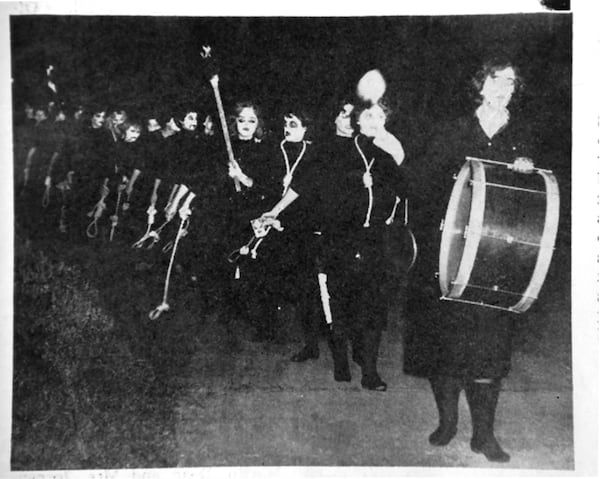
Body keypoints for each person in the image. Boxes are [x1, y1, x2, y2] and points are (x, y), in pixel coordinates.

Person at [403, 58, 535, 463]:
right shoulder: (453, 128)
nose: (505, 88)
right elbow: (421, 183)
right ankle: (447, 424)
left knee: (489, 350)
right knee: (444, 347)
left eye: (512, 82)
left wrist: (527, 170)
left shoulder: (524, 133)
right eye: (498, 80)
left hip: (499, 258)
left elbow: (546, 191)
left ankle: (484, 435)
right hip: (451, 251)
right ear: (481, 84)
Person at [265, 98, 407, 390]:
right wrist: (274, 211)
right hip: (339, 238)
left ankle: (370, 371)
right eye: (364, 115)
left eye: (378, 116)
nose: (369, 120)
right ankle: (341, 359)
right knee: (339, 304)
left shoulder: (384, 153)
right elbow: (301, 186)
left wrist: (385, 172)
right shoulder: (330, 152)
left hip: (375, 241)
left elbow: (405, 189)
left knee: (373, 308)